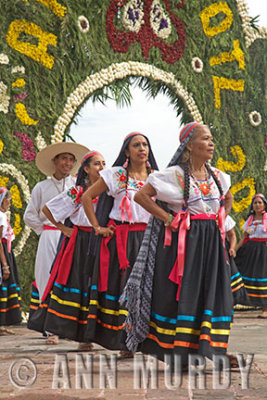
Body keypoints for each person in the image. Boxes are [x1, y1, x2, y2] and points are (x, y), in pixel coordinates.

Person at [122, 122, 234, 368]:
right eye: (205, 139)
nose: (211, 143)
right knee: (184, 294)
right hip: (187, 243)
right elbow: (141, 196)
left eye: (211, 138)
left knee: (214, 293)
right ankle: (180, 353)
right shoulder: (174, 175)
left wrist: (222, 216)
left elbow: (228, 198)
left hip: (212, 243)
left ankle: (215, 350)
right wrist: (168, 218)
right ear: (189, 146)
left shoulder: (218, 177)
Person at [81, 132, 158, 356]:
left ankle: (146, 340)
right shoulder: (115, 175)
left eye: (145, 144)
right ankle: (125, 342)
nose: (142, 149)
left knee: (148, 289)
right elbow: (87, 197)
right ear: (126, 151)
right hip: (122, 240)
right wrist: (97, 227)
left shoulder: (156, 177)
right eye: (136, 145)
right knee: (123, 289)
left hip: (148, 238)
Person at [28, 151, 112, 348]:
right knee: (80, 286)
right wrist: (63, 228)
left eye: (104, 163)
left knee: (98, 288)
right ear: (86, 169)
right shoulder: (78, 191)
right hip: (81, 241)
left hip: (101, 241)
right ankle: (79, 337)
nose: (102, 168)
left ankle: (95, 335)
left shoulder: (108, 192)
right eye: (97, 164)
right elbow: (48, 209)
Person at [24, 142, 89, 303]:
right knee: (46, 273)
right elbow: (29, 215)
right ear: (55, 160)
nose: (67, 163)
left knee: (70, 275)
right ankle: (45, 316)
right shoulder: (41, 187)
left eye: (71, 160)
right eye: (64, 158)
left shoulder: (78, 187)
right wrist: (45, 230)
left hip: (73, 237)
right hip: (49, 236)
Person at [235, 194, 267, 317]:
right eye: (255, 203)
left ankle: (265, 309)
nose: (257, 205)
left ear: (264, 205)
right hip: (250, 251)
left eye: (260, 202)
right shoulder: (250, 220)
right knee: (245, 275)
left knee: (262, 276)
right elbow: (244, 237)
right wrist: (235, 250)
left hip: (263, 251)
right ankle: (241, 301)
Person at [0, 187, 21, 334]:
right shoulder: (1, 216)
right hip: (3, 255)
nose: (10, 201)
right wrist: (5, 265)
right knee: (3, 287)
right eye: (8, 199)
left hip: (6, 252)